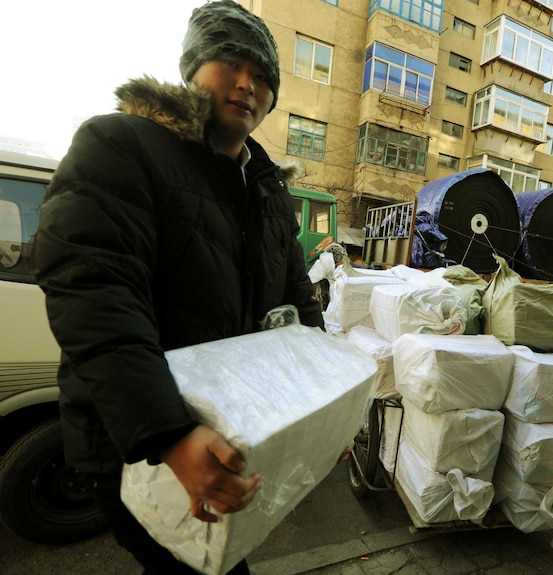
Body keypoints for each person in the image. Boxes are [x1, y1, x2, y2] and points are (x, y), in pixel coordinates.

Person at [34, 2, 324, 573]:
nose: (248, 84)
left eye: (264, 76)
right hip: (138, 447)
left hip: (222, 433)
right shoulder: (121, 145)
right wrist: (169, 435)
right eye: (232, 63)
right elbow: (95, 291)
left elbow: (299, 304)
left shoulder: (266, 191)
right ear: (194, 66)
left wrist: (327, 402)